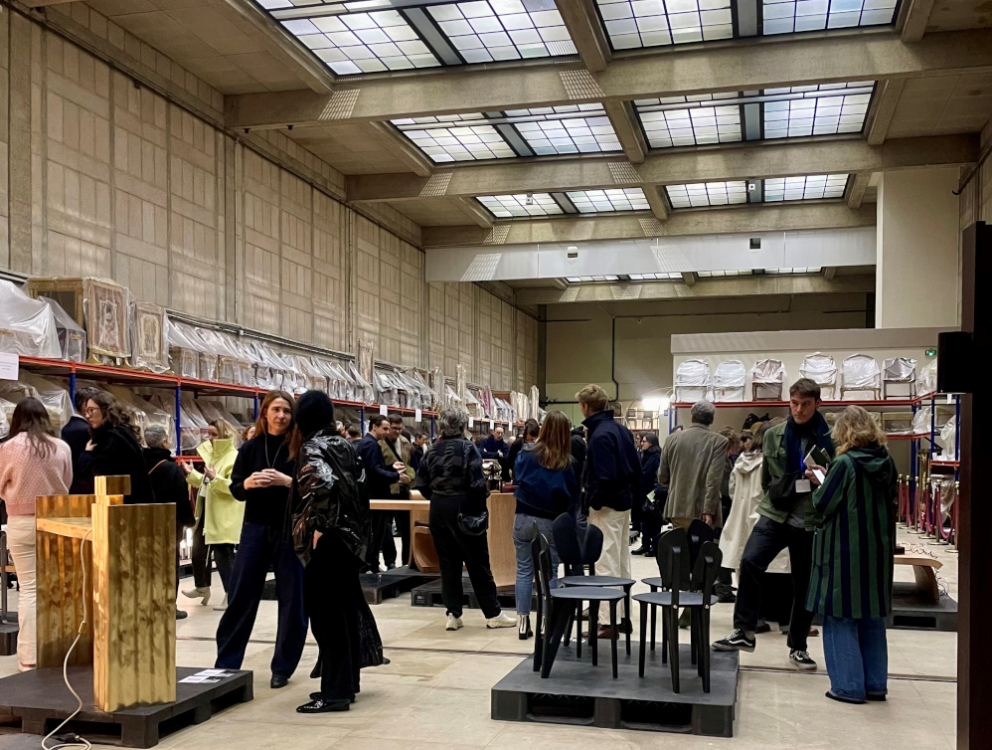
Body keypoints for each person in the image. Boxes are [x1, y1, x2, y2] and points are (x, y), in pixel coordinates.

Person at [714, 378, 834, 672]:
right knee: (751, 561)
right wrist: (792, 486)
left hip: (810, 519)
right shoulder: (774, 435)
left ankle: (798, 647)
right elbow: (768, 479)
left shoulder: (829, 437)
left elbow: (834, 480)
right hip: (775, 512)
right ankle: (744, 632)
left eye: (806, 404)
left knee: (804, 584)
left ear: (818, 403)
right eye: (794, 403)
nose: (799, 409)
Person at [292, 391, 384, 714]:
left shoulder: (311, 448)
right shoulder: (346, 445)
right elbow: (360, 490)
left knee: (327, 619)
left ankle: (334, 693)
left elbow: (322, 485)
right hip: (351, 542)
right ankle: (347, 684)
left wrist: (319, 527)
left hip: (329, 542)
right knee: (344, 614)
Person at [215, 391, 306, 689]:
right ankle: (227, 665)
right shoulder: (251, 448)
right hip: (255, 528)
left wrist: (286, 482)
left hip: (288, 530)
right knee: (241, 596)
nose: (281, 416)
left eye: (287, 411)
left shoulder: (299, 448)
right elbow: (236, 489)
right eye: (276, 410)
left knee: (293, 600)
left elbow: (311, 489)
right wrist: (248, 483)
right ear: (265, 413)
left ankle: (283, 666)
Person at [806, 405, 896, 704]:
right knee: (872, 618)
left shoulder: (845, 463)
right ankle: (875, 684)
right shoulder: (887, 462)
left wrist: (820, 478)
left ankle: (847, 685)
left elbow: (823, 502)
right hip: (877, 551)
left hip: (844, 552)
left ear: (843, 432)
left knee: (840, 617)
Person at [416, 407, 515, 632]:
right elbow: (478, 483)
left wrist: (439, 497)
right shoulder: (469, 448)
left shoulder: (431, 450)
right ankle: (493, 613)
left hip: (438, 509)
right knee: (477, 562)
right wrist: (480, 505)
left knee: (448, 563)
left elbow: (421, 484)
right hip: (464, 508)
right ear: (462, 426)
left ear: (441, 426)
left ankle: (453, 614)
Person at [0, 398, 73, 672]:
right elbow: (66, 484)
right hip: (56, 521)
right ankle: (56, 652)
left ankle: (29, 658)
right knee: (54, 588)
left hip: (20, 521)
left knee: (28, 589)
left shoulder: (8, 448)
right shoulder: (61, 447)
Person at [577, 384, 640, 639]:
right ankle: (623, 618)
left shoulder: (599, 435)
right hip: (623, 504)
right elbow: (636, 468)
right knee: (622, 563)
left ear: (584, 407)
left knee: (605, 563)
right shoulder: (622, 430)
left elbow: (605, 476)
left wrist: (593, 500)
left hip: (607, 507)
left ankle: (607, 623)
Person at [511, 411, 580, 639]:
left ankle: (522, 623)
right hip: (551, 521)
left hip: (523, 517)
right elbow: (571, 496)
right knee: (549, 573)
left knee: (523, 571)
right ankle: (545, 622)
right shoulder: (566, 462)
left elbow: (517, 476)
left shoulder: (526, 453)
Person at [719, 421, 790, 603]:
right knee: (773, 568)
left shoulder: (741, 461)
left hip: (740, 520)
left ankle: (751, 614)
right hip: (765, 520)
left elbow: (732, 490)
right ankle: (768, 612)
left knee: (744, 568)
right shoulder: (773, 462)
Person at [182, 420, 242, 611]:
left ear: (224, 435)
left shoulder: (232, 457)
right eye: (208, 434)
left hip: (224, 516)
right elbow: (209, 483)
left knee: (224, 557)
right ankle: (212, 590)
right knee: (209, 553)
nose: (210, 438)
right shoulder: (217, 458)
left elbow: (233, 487)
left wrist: (215, 478)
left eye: (214, 434)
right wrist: (194, 475)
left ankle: (232, 596)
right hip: (211, 514)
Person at [142, 425, 197, 620]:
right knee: (169, 566)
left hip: (142, 523)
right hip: (168, 525)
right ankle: (168, 606)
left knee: (146, 565)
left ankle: (146, 604)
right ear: (165, 442)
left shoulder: (138, 463)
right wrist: (189, 521)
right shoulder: (171, 469)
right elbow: (182, 498)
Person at [657, 401, 729, 530]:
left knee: (679, 547)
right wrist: (709, 510)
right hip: (703, 510)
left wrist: (678, 486)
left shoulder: (671, 439)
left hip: (676, 507)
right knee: (702, 548)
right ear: (711, 420)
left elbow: (662, 477)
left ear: (692, 417)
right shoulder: (719, 442)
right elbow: (713, 480)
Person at [76, 391, 155, 503]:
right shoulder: (121, 433)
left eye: (91, 410)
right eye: (86, 411)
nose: (87, 416)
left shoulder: (113, 439)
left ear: (105, 410)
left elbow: (99, 476)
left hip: (123, 508)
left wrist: (87, 454)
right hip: (131, 504)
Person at [356, 414, 409, 572]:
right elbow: (373, 470)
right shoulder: (371, 445)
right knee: (375, 533)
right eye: (385, 428)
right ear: (374, 427)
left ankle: (372, 564)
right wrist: (396, 476)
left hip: (373, 494)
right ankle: (371, 565)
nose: (387, 432)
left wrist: (392, 469)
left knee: (376, 533)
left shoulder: (369, 443)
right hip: (374, 495)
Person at [378, 414, 415, 569]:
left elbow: (411, 464)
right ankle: (390, 561)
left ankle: (408, 560)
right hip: (387, 489)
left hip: (405, 490)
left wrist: (410, 478)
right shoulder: (379, 444)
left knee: (407, 527)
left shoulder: (405, 443)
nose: (397, 432)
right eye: (394, 428)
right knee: (385, 527)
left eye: (400, 429)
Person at [61, 387, 98, 494]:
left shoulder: (66, 427)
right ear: (84, 406)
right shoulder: (88, 430)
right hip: (87, 489)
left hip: (71, 487)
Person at [632, 433, 662, 556]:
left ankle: (655, 546)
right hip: (642, 492)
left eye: (645, 441)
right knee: (644, 520)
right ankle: (645, 545)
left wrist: (654, 491)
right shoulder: (644, 455)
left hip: (652, 493)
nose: (642, 443)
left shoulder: (657, 457)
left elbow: (658, 475)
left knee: (653, 520)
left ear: (651, 443)